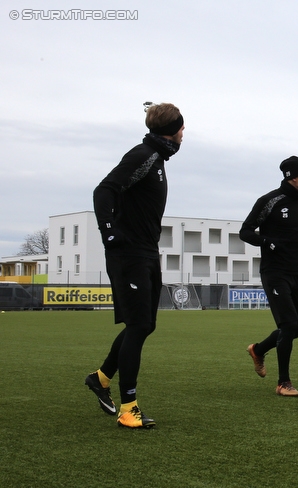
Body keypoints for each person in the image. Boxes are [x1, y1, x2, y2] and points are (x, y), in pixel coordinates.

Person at [84, 102, 184, 429]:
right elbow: (104, 191)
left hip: (145, 252)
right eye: (182, 128)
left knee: (144, 324)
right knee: (139, 325)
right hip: (129, 253)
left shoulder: (156, 158)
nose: (185, 134)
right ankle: (129, 408)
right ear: (173, 130)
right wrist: (109, 232)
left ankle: (100, 378)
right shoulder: (144, 155)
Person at [241, 157, 298, 397]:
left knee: (295, 328)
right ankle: (283, 383)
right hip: (274, 272)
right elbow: (245, 231)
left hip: (296, 272)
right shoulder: (269, 201)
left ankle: (258, 350)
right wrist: (267, 242)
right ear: (292, 177)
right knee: (288, 324)